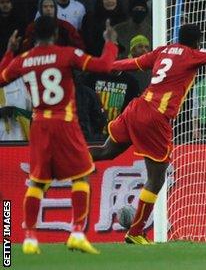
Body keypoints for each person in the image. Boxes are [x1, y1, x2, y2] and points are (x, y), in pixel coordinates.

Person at [88, 12, 206, 244]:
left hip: (136, 107)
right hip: (155, 117)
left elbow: (134, 63)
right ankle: (136, 231)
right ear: (198, 41)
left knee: (106, 151)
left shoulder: (163, 50)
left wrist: (109, 65)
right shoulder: (193, 55)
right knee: (156, 178)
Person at [0, 16, 119, 254]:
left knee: (37, 182)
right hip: (65, 123)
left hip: (39, 125)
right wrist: (111, 43)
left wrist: (9, 52)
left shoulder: (24, 60)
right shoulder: (67, 54)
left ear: (33, 37)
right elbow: (105, 66)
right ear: (55, 33)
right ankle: (76, 232)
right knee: (81, 177)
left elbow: (1, 78)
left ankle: (30, 237)